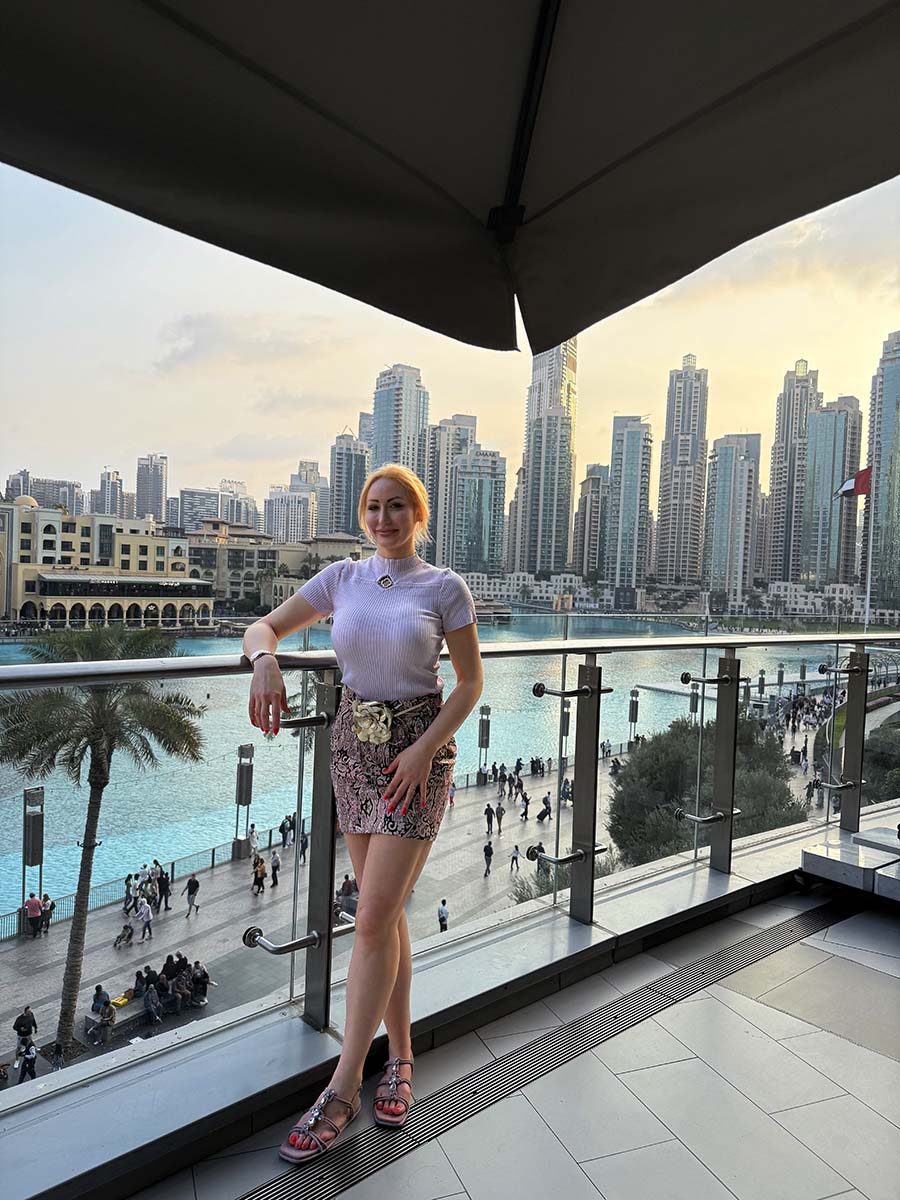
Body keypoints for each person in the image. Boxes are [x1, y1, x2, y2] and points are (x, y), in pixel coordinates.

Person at [245, 462, 482, 1164]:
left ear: (420, 515)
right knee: (388, 918)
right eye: (374, 507)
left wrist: (424, 751)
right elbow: (266, 626)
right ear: (363, 515)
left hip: (418, 754)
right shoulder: (341, 579)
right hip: (351, 749)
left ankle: (343, 1087)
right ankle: (402, 1057)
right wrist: (265, 661)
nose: (384, 519)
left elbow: (469, 683)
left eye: (398, 507)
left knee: (372, 918)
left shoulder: (444, 588)